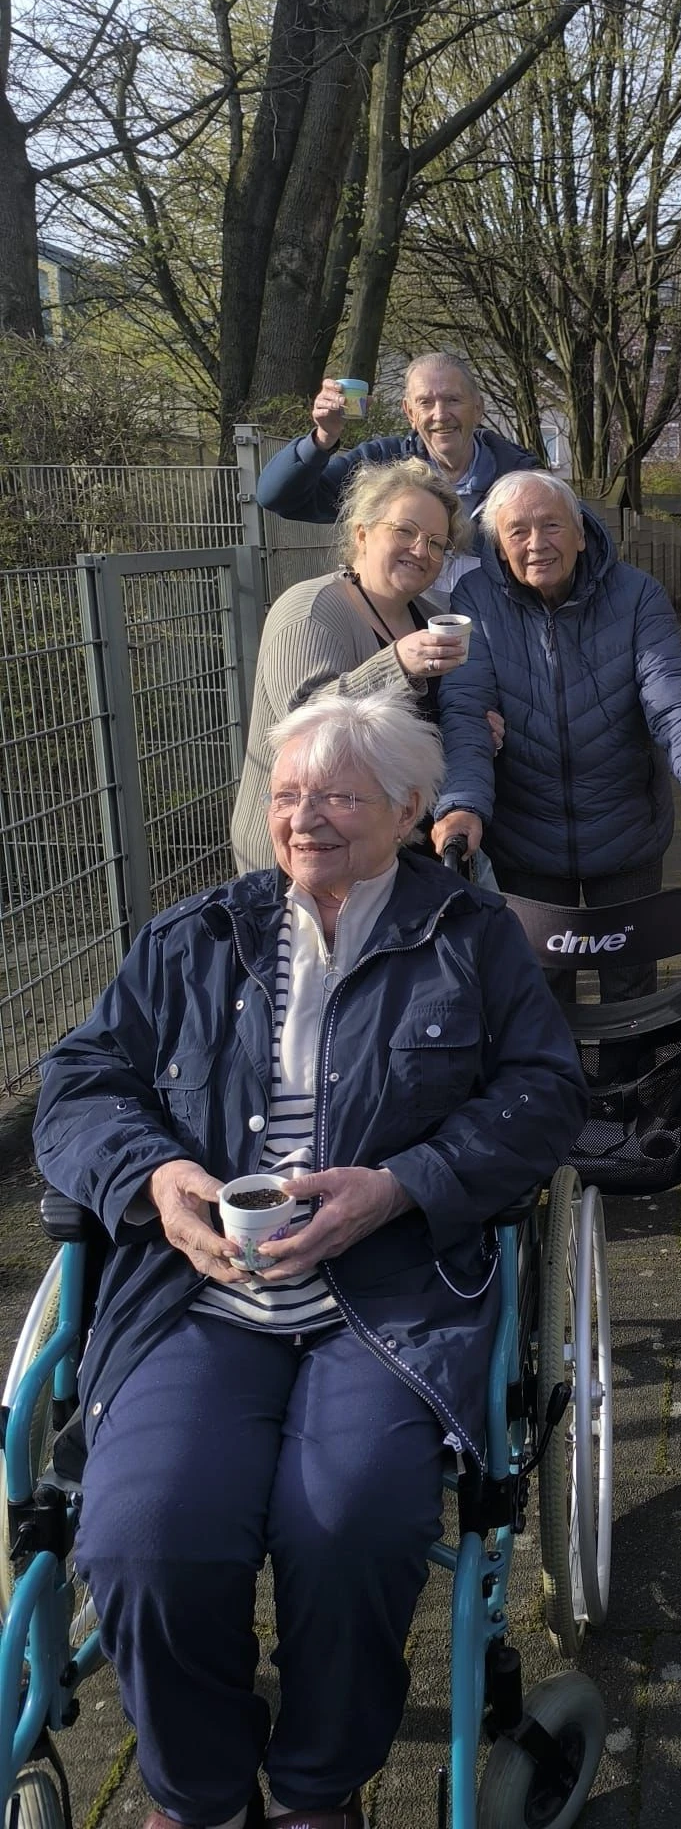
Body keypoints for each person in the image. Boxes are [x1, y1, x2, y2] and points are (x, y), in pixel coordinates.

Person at [34, 691, 587, 1829]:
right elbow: (80, 1084)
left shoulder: (471, 938)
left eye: (338, 795)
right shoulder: (196, 937)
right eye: (288, 795)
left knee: (353, 1526)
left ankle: (316, 1792)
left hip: (389, 1294)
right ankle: (201, 1795)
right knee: (146, 1536)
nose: (304, 818)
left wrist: (401, 1184)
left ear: (409, 809)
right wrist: (156, 1177)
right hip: (198, 1293)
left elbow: (543, 1096)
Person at [431, 470, 681, 1009]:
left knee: (632, 990)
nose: (537, 543)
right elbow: (466, 711)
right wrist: (462, 803)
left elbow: (675, 704)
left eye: (552, 525)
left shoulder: (636, 595)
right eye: (518, 531)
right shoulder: (476, 598)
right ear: (498, 543)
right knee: (539, 991)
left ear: (581, 533)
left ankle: (634, 1068)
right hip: (524, 830)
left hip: (624, 826)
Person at [229, 460, 478, 873]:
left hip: (388, 855)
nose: (421, 550)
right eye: (405, 531)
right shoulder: (311, 609)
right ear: (362, 533)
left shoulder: (430, 616)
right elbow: (304, 721)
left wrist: (477, 728)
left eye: (437, 543)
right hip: (303, 856)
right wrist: (397, 664)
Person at [255, 353, 539, 580]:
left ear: (478, 408)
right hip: (399, 626)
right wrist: (322, 438)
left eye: (452, 400)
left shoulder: (521, 477)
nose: (440, 415)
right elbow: (277, 498)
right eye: (425, 402)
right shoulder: (381, 465)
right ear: (409, 413)